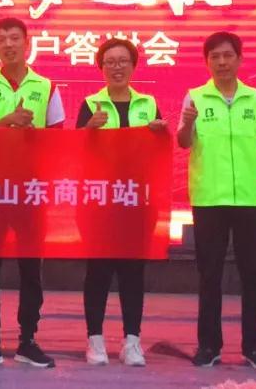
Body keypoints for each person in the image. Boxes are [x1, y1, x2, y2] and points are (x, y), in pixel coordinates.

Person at [0, 17, 64, 370]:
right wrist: (7, 120)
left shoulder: (47, 86)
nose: (8, 44)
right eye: (2, 39)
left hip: (31, 189)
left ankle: (28, 341)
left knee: (31, 269)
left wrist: (32, 132)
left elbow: (58, 140)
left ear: (27, 42)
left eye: (14, 38)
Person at [177, 32, 256, 371]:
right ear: (207, 62)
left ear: (239, 59)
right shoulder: (195, 98)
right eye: (215, 57)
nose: (221, 62)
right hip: (209, 199)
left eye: (227, 56)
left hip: (250, 199)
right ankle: (209, 346)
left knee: (253, 275)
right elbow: (183, 142)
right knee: (210, 275)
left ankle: (253, 347)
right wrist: (188, 124)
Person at [76, 38, 167, 367]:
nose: (117, 67)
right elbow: (74, 152)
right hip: (99, 202)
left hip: (137, 201)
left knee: (133, 272)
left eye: (123, 61)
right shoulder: (91, 103)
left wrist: (160, 133)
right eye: (110, 62)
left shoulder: (148, 103)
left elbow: (159, 151)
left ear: (133, 66)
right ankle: (95, 341)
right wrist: (88, 129)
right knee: (97, 272)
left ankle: (132, 341)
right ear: (101, 68)